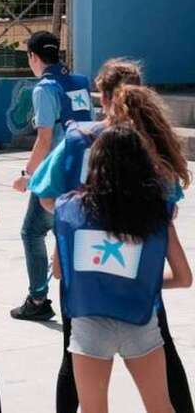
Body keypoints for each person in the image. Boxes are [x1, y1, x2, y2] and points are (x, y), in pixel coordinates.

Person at [30, 61, 194, 413]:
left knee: (73, 366)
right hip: (138, 283)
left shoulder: (79, 139)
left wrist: (77, 216)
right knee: (164, 367)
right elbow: (170, 205)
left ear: (102, 97)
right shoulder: (151, 142)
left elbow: (44, 192)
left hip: (86, 283)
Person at [52, 125, 192, 413]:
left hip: (89, 324)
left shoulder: (69, 210)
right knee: (161, 407)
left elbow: (59, 271)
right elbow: (183, 277)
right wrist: (143, 281)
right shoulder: (157, 213)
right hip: (139, 320)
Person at [11, 31, 93, 321]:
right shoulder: (80, 82)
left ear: (33, 57)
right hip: (85, 168)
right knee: (71, 229)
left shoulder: (45, 88)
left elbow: (44, 139)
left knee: (32, 231)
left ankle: (37, 299)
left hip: (57, 172)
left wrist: (27, 175)